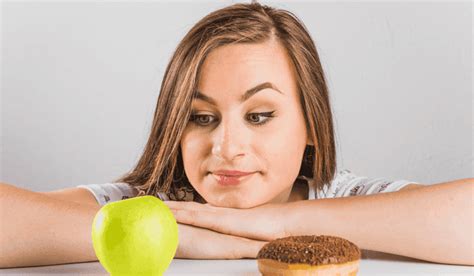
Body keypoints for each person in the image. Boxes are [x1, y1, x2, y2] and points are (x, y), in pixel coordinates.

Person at [1, 2, 472, 269]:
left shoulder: (347, 197)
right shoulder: (153, 205)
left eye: (260, 115)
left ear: (312, 124)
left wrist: (276, 226)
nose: (227, 148)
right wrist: (175, 237)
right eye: (202, 118)